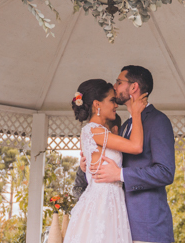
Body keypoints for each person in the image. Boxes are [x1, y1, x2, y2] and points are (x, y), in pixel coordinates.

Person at [93, 65, 176, 243]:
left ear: (133, 87)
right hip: (123, 226)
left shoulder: (158, 121)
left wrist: (121, 174)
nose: (114, 86)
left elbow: (165, 172)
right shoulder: (125, 126)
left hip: (149, 228)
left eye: (119, 82)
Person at [63, 78, 148, 243]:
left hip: (109, 200)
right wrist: (136, 113)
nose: (116, 105)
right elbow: (137, 146)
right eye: (112, 100)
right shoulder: (94, 131)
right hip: (103, 203)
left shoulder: (99, 131)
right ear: (97, 104)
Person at [72, 113, 121, 201]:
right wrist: (85, 172)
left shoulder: (124, 154)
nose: (94, 135)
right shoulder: (88, 156)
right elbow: (76, 190)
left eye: (100, 130)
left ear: (115, 130)